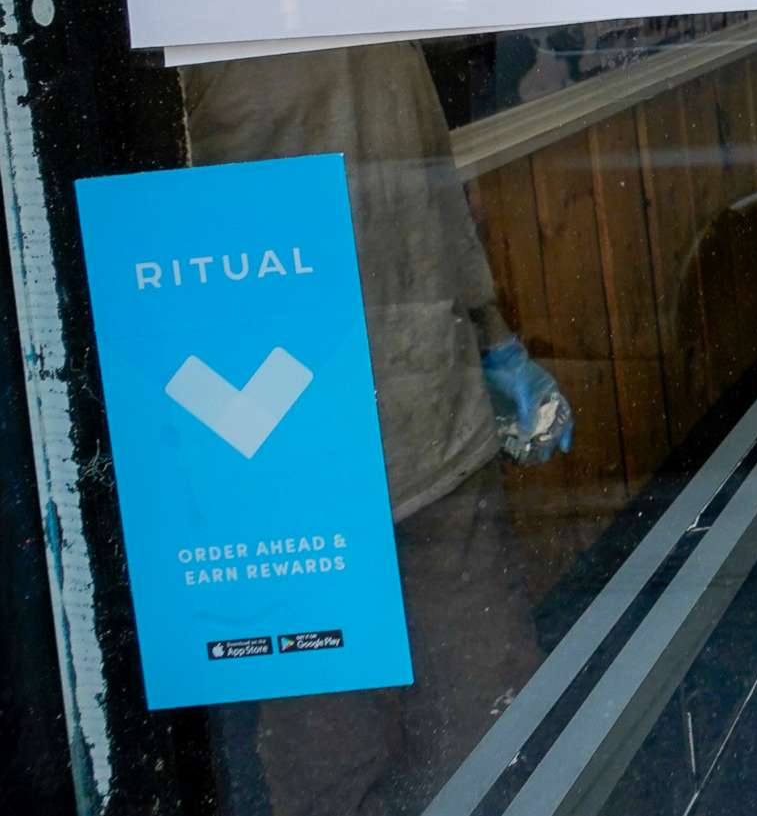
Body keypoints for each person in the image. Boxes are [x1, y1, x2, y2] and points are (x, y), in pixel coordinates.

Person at [182, 42, 572, 815]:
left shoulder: (362, 13)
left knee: (484, 721)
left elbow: (430, 175)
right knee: (340, 752)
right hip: (285, 448)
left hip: (416, 417)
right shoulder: (195, 30)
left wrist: (493, 337)